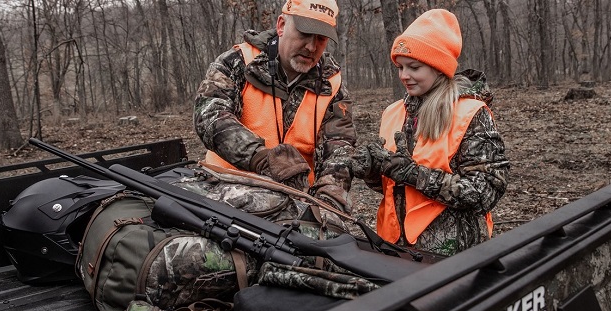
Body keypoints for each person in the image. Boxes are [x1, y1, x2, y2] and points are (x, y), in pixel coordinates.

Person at [351, 9, 509, 256]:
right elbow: (396, 190)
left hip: (451, 256)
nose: (404, 76)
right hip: (393, 248)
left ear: (438, 68)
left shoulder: (470, 113)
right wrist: (373, 172)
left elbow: (484, 192)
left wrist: (414, 174)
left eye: (414, 67)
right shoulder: (393, 113)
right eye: (400, 67)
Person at [194, 0, 355, 214]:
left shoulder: (331, 83)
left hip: (296, 200)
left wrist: (329, 200)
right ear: (281, 25)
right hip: (227, 189)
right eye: (304, 34)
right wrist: (261, 159)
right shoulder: (238, 63)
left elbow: (340, 147)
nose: (311, 47)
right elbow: (210, 117)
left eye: (321, 38)